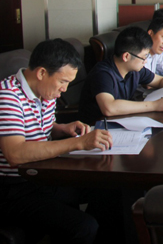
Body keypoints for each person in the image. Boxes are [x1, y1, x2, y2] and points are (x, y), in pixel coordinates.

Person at [0, 39, 113, 244]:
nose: (65, 89)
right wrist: (78, 143)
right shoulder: (8, 97)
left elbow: (40, 126)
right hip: (14, 187)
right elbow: (15, 153)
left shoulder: (44, 90)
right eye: (63, 82)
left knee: (108, 190)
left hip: (43, 174)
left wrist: (62, 128)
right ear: (42, 73)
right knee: (84, 227)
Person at [78, 26, 163, 124]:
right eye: (144, 57)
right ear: (126, 56)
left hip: (122, 121)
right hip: (97, 127)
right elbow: (109, 108)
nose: (146, 61)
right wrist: (155, 105)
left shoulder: (134, 69)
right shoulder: (102, 73)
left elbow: (160, 81)